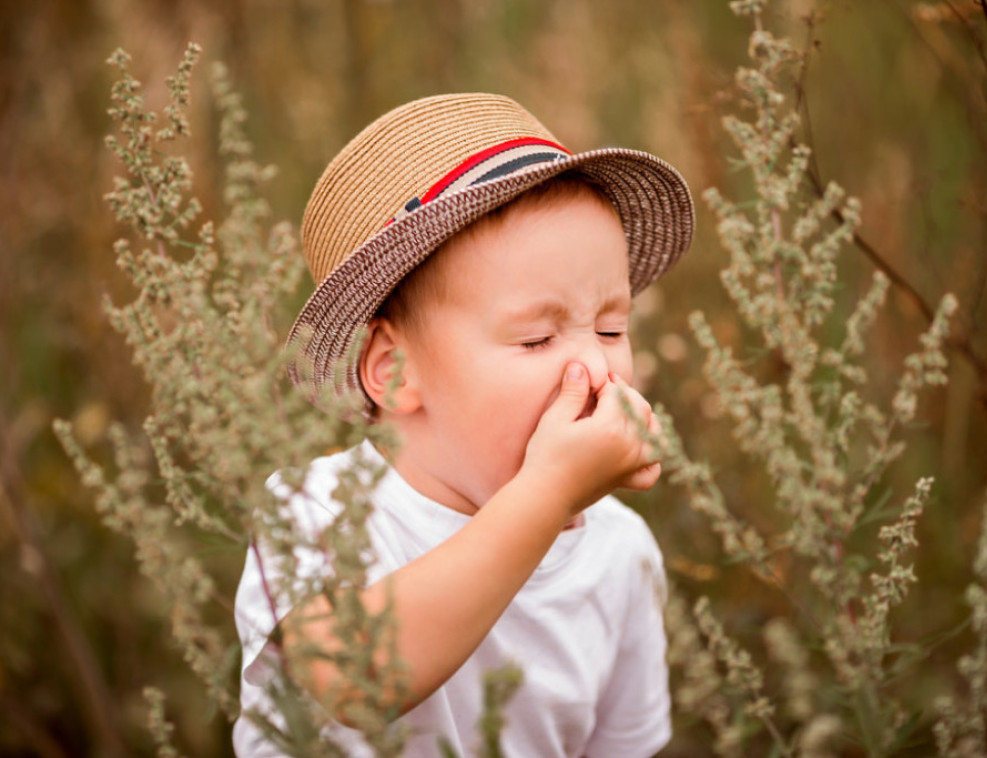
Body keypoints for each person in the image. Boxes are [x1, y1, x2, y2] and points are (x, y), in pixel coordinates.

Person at [233, 92, 695, 757]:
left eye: (612, 326)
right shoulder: (313, 513)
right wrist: (547, 494)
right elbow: (355, 682)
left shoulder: (623, 554)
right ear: (393, 372)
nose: (594, 366)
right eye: (536, 339)